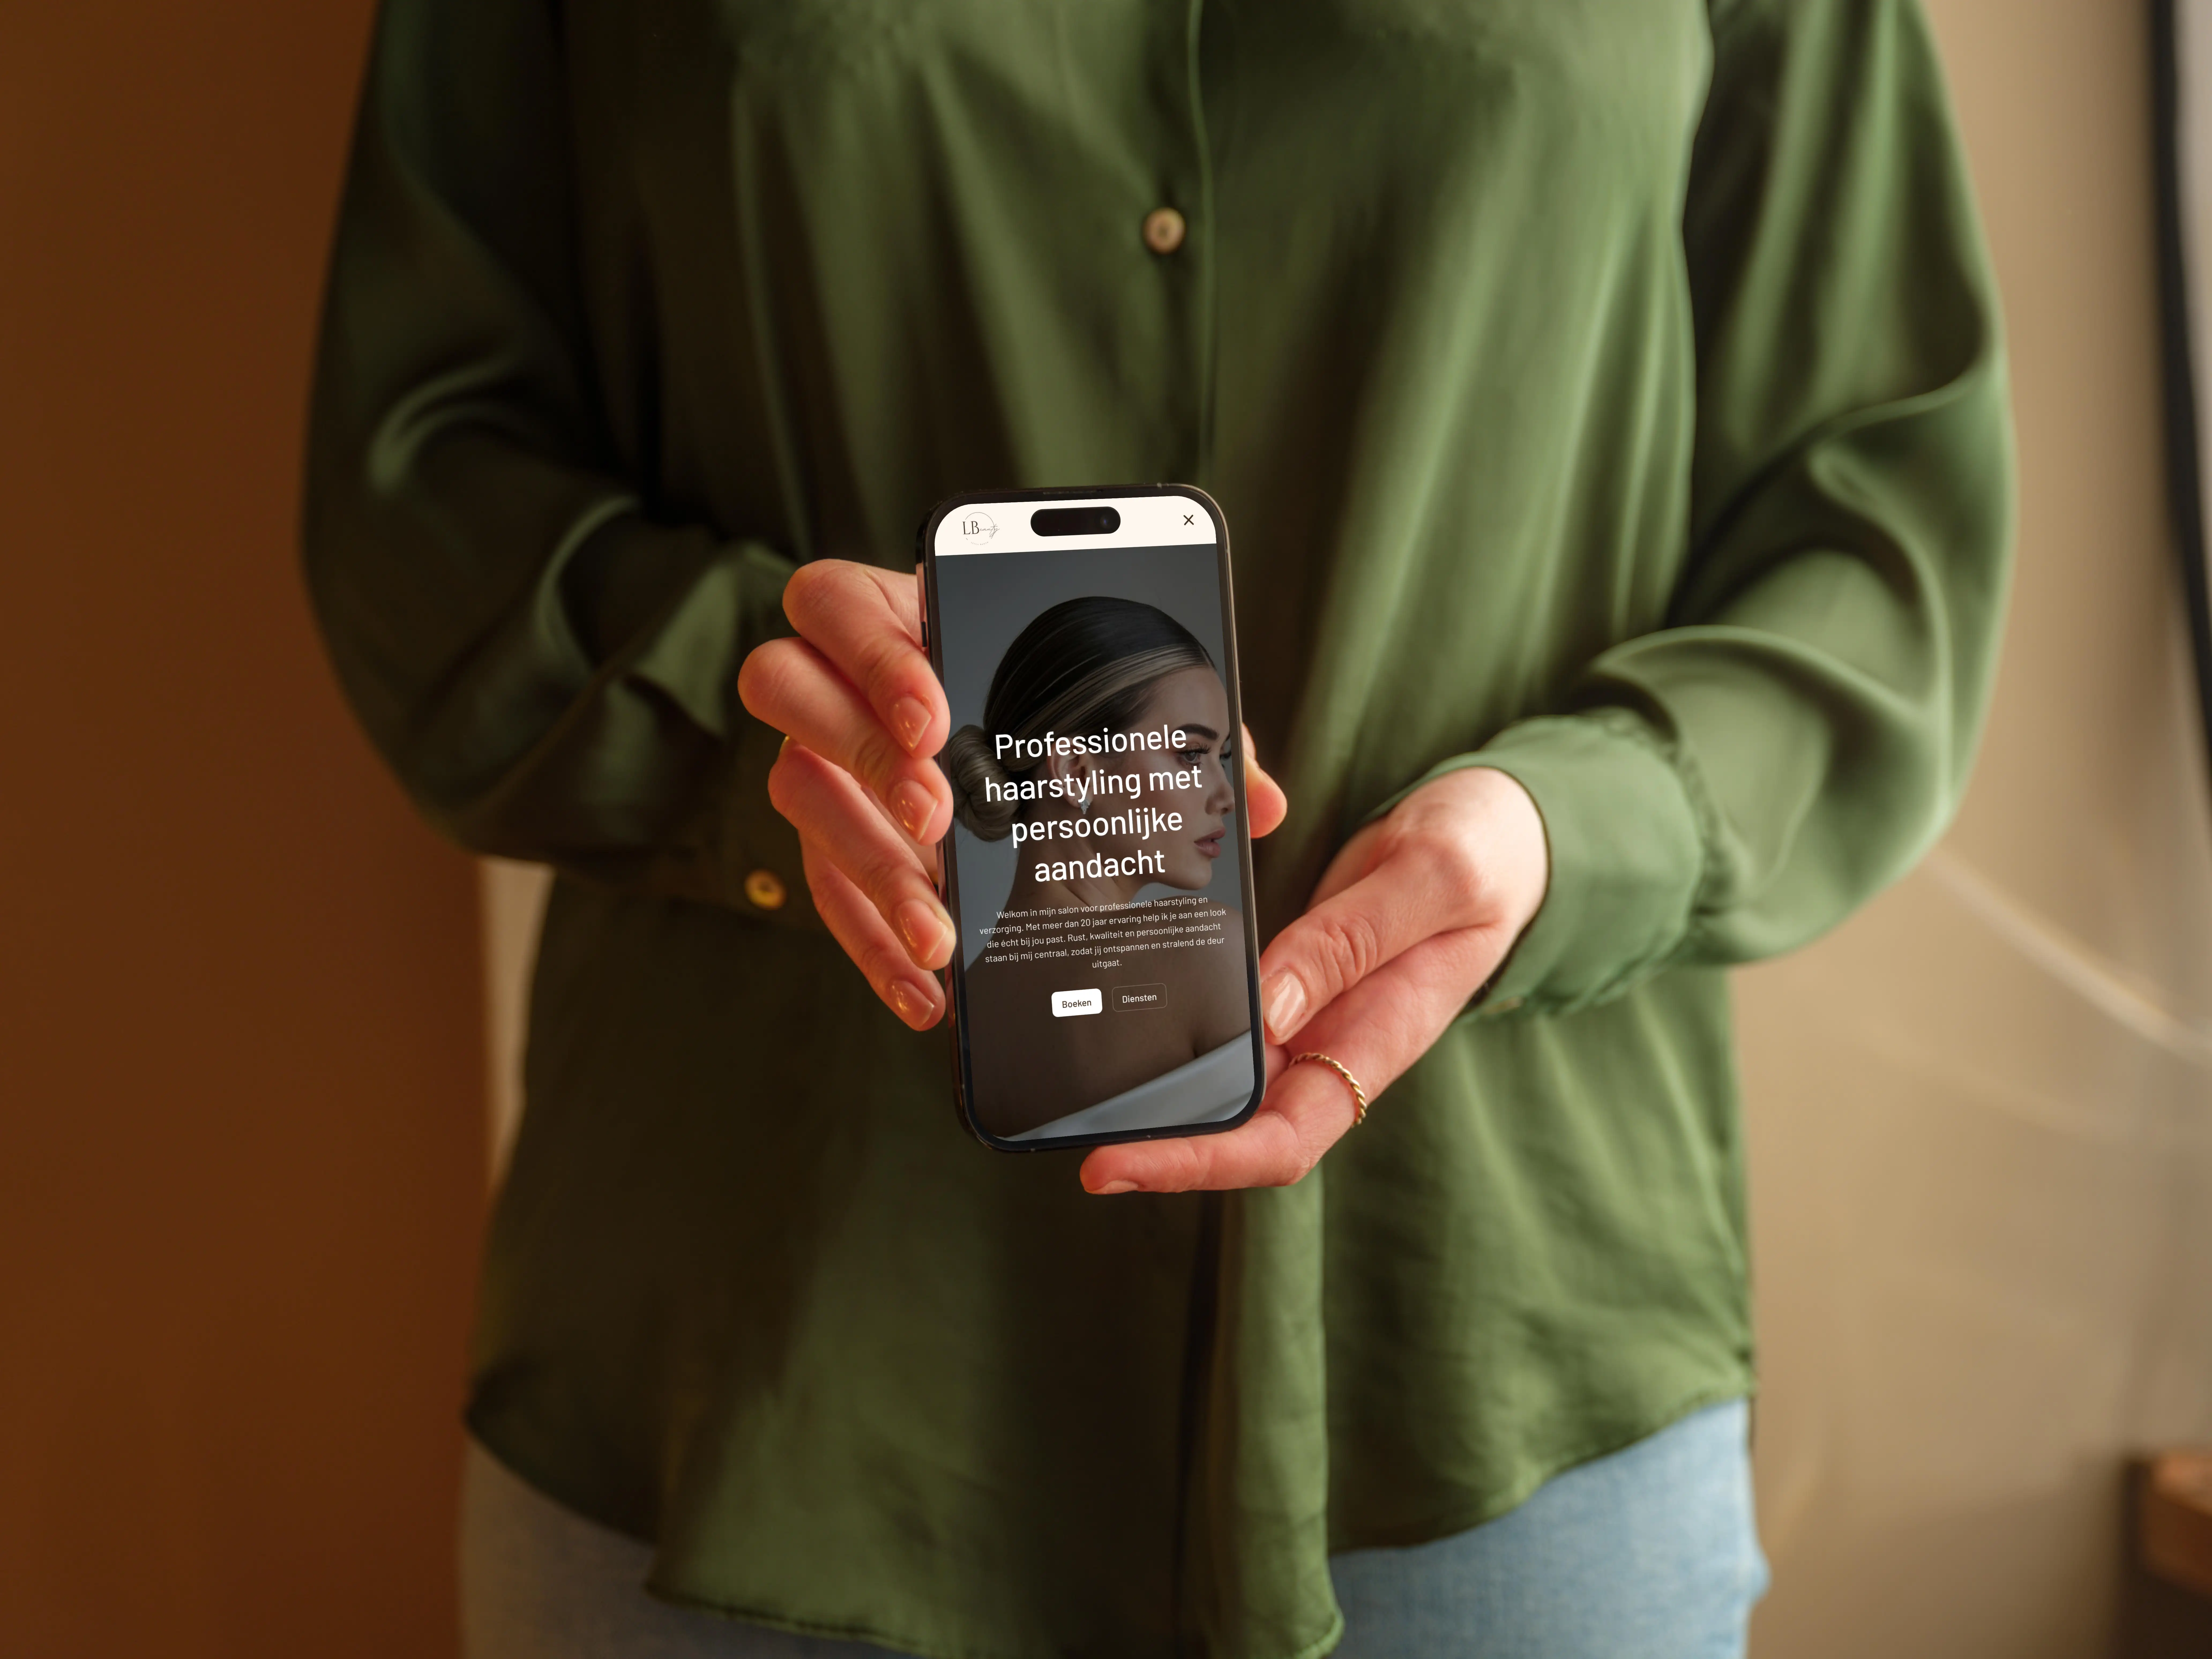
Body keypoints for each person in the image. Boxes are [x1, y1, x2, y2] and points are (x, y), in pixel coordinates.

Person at [303, 1, 2012, 1655]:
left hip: (1491, 1384)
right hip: (759, 1382)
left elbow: (1872, 527)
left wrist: (1566, 831)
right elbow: (424, 479)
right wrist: (763, 706)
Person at [944, 596, 1254, 1139]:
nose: (1226, 795)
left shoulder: (952, 1010)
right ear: (1076, 771)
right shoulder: (1208, 950)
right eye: (1190, 754)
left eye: (1220, 758)